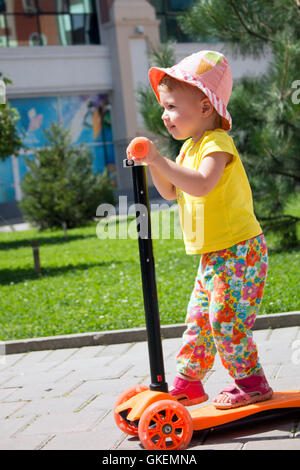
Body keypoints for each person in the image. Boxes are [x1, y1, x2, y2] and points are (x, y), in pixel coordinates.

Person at [126, 50, 273, 409]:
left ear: (206, 107)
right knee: (198, 320)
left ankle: (252, 382)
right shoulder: (188, 149)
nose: (165, 116)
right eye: (164, 108)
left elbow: (202, 184)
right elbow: (171, 191)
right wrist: (152, 164)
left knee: (225, 319)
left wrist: (159, 160)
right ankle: (188, 382)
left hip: (240, 252)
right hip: (214, 255)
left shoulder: (216, 144)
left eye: (173, 106)